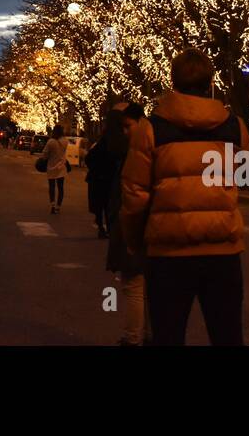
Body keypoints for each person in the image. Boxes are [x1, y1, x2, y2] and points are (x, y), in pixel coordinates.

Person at [120, 48, 249, 346]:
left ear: (173, 81)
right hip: (223, 251)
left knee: (167, 335)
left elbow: (134, 195)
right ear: (210, 82)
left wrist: (135, 241)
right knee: (228, 335)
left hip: (168, 252)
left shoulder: (150, 129)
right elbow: (243, 177)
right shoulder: (235, 127)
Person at [105, 101, 147, 345]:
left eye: (127, 125)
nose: (124, 130)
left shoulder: (133, 153)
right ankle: (149, 336)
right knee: (145, 287)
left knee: (133, 285)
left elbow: (113, 146)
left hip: (135, 226)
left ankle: (132, 338)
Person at [85, 131, 114, 238]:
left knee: (98, 205)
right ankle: (109, 229)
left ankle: (101, 227)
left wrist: (94, 169)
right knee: (107, 206)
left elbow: (88, 159)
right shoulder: (111, 150)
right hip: (107, 180)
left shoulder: (96, 148)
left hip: (96, 180)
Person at [43, 126, 68, 214]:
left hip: (51, 166)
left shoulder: (51, 142)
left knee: (52, 187)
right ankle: (58, 206)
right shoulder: (65, 141)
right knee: (61, 188)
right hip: (61, 166)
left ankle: (52, 205)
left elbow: (45, 154)